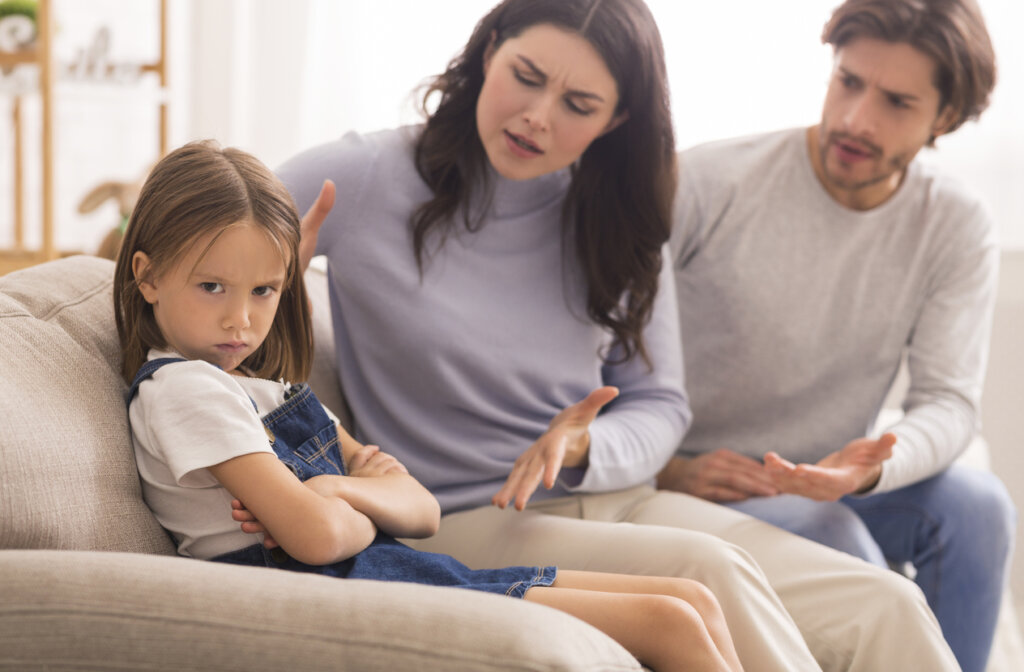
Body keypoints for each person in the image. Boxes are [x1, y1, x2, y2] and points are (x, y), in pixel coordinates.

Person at [278, 0, 960, 669]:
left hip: (622, 500)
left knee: (885, 603)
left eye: (579, 105)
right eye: (526, 75)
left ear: (617, 118)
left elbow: (661, 405)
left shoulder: (616, 215)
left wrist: (585, 445)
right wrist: (265, 278)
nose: (537, 117)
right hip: (464, 514)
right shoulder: (366, 176)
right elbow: (199, 235)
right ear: (490, 52)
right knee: (709, 568)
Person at [113, 139, 754, 672]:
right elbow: (316, 538)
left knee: (690, 596)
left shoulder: (267, 392)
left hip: (389, 567)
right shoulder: (184, 389)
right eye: (212, 286)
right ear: (146, 276)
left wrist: (332, 490)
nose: (241, 318)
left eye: (263, 290)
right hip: (329, 596)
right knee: (669, 620)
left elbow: (420, 510)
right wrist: (348, 494)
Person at [656, 1, 1015, 670]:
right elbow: (595, 347)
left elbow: (949, 401)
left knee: (978, 506)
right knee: (834, 533)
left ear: (944, 118)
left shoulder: (955, 223)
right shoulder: (709, 181)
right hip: (704, 476)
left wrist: (876, 464)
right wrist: (666, 468)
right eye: (848, 82)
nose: (855, 120)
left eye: (897, 102)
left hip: (826, 476)